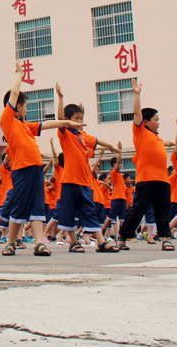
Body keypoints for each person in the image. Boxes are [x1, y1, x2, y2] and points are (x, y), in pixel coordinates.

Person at [0, 64, 83, 256]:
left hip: (36, 168)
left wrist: (68, 122)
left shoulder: (25, 125)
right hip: (22, 169)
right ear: (17, 107)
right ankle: (11, 242)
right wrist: (19, 74)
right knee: (19, 204)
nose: (27, 109)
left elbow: (46, 124)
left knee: (37, 205)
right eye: (26, 105)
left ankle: (39, 243)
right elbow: (14, 95)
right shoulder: (7, 121)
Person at [55, 86, 120, 253]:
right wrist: (61, 97)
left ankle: (101, 242)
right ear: (69, 120)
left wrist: (112, 147)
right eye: (76, 119)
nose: (79, 122)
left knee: (89, 211)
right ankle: (73, 242)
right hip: (70, 180)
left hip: (85, 182)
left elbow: (97, 141)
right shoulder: (65, 134)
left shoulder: (82, 136)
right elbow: (60, 119)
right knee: (69, 211)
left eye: (81, 118)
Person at [117, 80, 175, 251]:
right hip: (146, 179)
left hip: (163, 179)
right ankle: (122, 237)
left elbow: (167, 144)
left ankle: (165, 238)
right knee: (138, 209)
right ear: (146, 122)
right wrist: (137, 94)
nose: (158, 122)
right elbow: (136, 112)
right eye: (156, 120)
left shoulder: (157, 138)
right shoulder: (140, 132)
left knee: (163, 210)